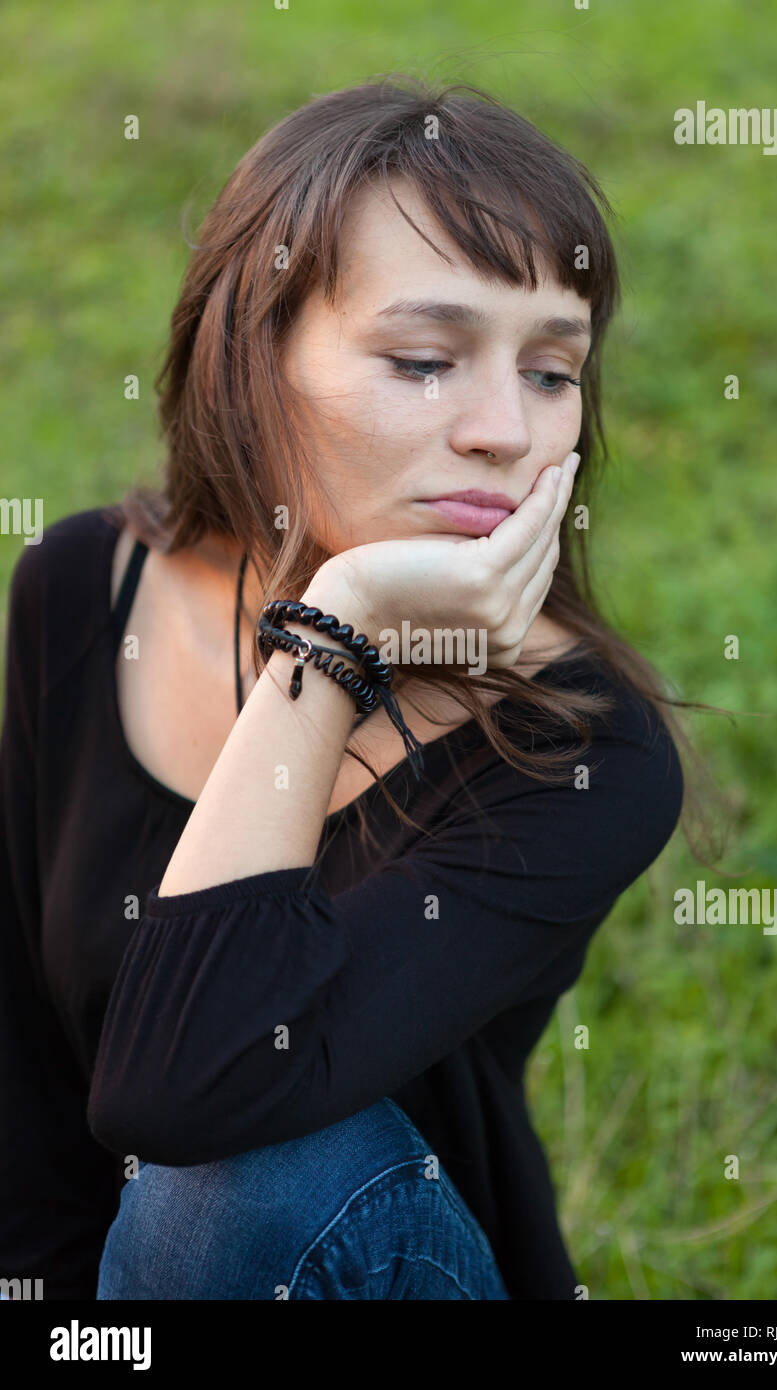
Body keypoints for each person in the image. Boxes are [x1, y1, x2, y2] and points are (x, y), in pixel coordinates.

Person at [1, 77, 695, 1301]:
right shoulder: (78, 592)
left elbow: (188, 1084)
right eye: (425, 358)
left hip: (379, 1265)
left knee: (238, 1164)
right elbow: (24, 1075)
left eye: (550, 371)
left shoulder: (580, 749)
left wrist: (338, 637)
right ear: (249, 354)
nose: (503, 428)